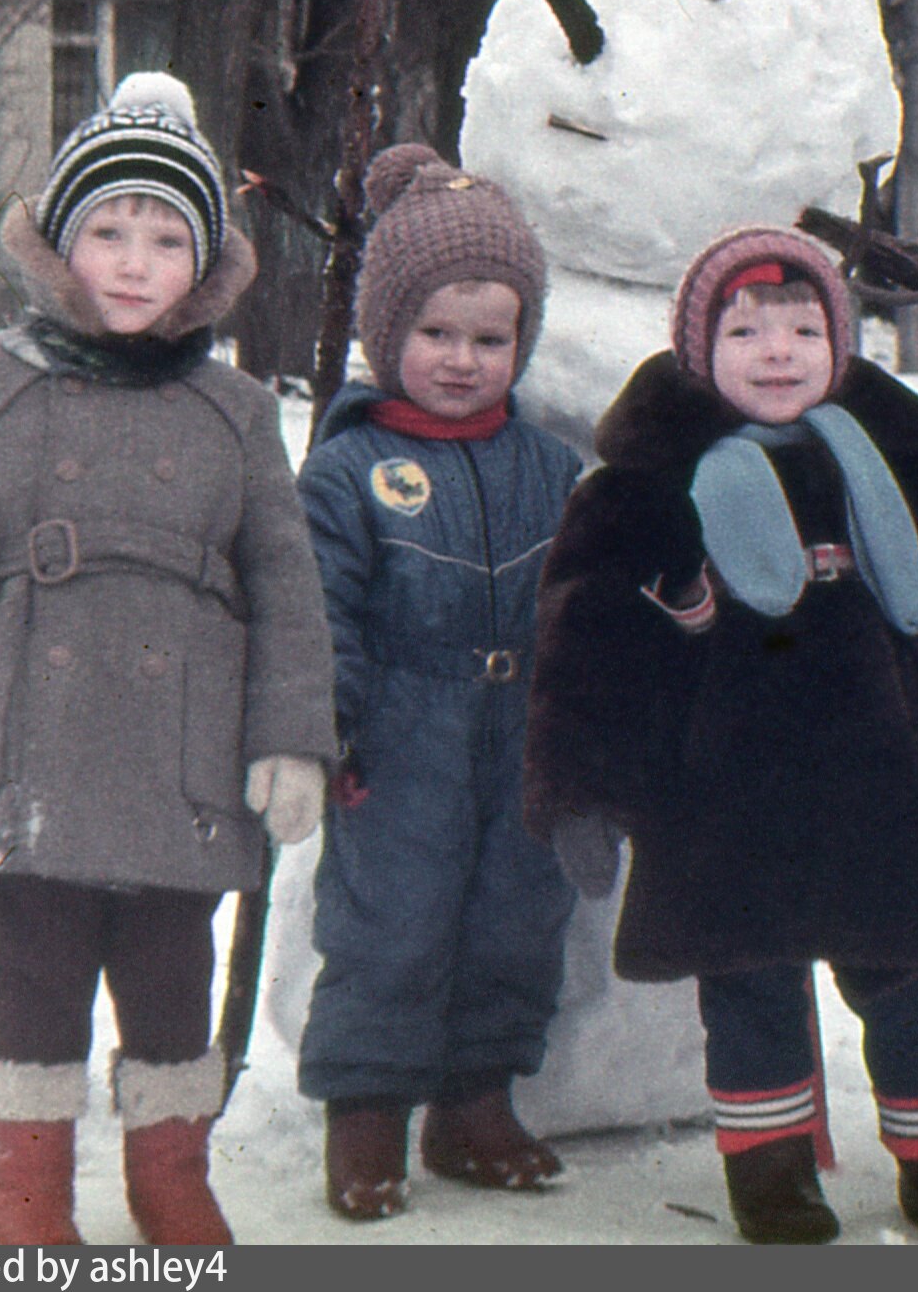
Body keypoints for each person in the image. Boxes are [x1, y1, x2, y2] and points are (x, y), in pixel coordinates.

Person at [0, 73, 334, 1244]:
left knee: (172, 964)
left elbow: (285, 586)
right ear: (60, 244)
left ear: (203, 264)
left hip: (184, 746)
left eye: (166, 237)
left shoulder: (233, 411)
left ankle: (171, 1174)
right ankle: (24, 1184)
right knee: (32, 957)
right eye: (108, 230)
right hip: (28, 736)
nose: (133, 260)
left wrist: (291, 740)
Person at [524, 227, 918, 1244]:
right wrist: (580, 789)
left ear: (840, 341)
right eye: (744, 329)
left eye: (802, 327)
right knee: (750, 994)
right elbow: (587, 643)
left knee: (916, 987)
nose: (776, 350)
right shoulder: (641, 489)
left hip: (890, 791)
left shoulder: (912, 470)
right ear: (697, 349)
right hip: (726, 796)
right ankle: (770, 1174)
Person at [297, 146, 584, 1219]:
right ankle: (365, 1111)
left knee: (516, 911)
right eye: (434, 333)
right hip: (402, 728)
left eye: (489, 337)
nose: (461, 359)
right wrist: (333, 725)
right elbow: (319, 609)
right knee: (391, 920)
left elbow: (586, 602)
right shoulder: (347, 470)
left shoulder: (551, 469)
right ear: (386, 334)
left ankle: (474, 1101)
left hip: (522, 729)